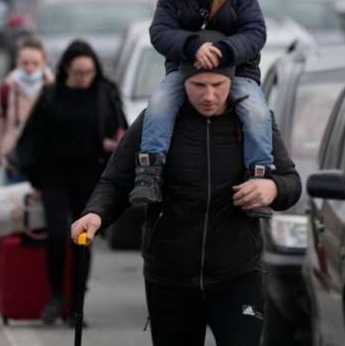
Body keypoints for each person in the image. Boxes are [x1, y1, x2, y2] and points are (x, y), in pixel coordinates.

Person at [70, 43, 302, 346]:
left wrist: (272, 188)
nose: (209, 96)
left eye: (218, 85)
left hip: (238, 273)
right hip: (170, 276)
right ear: (182, 82)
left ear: (232, 81)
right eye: (198, 85)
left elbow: (291, 182)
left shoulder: (254, 124)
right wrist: (95, 213)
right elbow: (115, 181)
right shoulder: (155, 124)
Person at [131, 0, 273, 220]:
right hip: (184, 72)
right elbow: (159, 32)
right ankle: (149, 171)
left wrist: (225, 50)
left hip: (239, 71)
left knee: (257, 112)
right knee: (159, 103)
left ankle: (259, 173)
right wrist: (191, 45)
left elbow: (255, 32)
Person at [15, 40, 127, 326]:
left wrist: (112, 144)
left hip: (90, 178)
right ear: (66, 69)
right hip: (53, 177)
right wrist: (32, 175)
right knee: (56, 234)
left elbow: (122, 132)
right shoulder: (51, 94)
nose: (84, 78)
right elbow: (30, 136)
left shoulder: (105, 94)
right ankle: (55, 296)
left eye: (89, 72)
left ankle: (77, 305)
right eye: (78, 73)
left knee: (82, 240)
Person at [0, 37, 53, 185]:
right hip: (14, 165)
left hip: (44, 167)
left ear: (44, 62)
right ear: (17, 62)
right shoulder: (7, 88)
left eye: (35, 63)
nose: (30, 68)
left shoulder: (53, 89)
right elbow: (0, 133)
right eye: (25, 63)